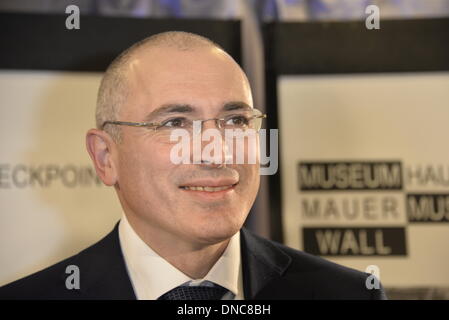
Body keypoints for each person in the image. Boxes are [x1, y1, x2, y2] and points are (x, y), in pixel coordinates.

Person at [0, 31, 386, 300]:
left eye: (236, 120)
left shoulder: (348, 295)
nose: (216, 150)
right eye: (174, 124)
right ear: (105, 157)